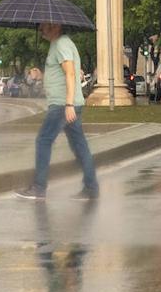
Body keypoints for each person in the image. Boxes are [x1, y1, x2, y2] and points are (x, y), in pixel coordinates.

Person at [16, 22, 99, 201]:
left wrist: (68, 105)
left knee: (44, 140)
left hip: (63, 105)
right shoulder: (59, 44)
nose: (40, 29)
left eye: (44, 25)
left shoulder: (61, 44)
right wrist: (42, 76)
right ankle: (91, 188)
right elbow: (61, 74)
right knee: (79, 146)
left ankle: (39, 188)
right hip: (66, 104)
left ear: (56, 26)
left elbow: (70, 73)